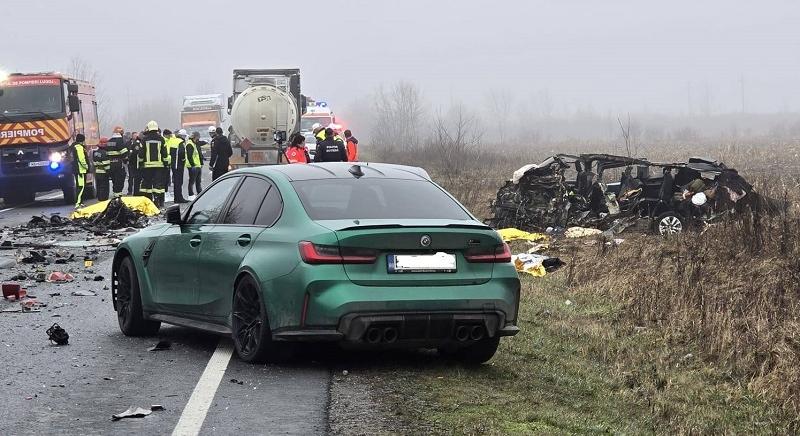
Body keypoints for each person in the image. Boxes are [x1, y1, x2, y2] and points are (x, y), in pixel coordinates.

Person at [139, 121, 169, 207]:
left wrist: (141, 163)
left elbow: (141, 154)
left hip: (147, 167)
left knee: (147, 185)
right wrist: (166, 163)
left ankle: (148, 202)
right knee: (158, 184)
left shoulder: (144, 139)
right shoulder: (161, 139)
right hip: (159, 166)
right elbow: (164, 153)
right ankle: (158, 201)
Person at [107, 126, 129, 197]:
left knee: (114, 180)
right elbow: (124, 153)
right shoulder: (120, 141)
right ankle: (118, 196)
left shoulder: (109, 141)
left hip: (110, 164)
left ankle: (115, 194)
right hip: (119, 164)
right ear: (121, 133)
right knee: (120, 180)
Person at [70, 133, 89, 208]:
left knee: (80, 186)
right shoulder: (79, 147)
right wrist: (86, 166)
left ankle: (80, 202)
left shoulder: (74, 146)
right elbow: (81, 159)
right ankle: (78, 203)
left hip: (77, 169)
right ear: (82, 140)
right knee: (81, 186)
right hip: (80, 170)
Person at [172, 129, 189, 203]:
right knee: (179, 182)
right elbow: (182, 153)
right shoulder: (180, 142)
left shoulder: (174, 141)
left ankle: (176, 198)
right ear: (182, 136)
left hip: (174, 164)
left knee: (176, 182)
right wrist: (183, 160)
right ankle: (179, 198)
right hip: (179, 164)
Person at [92, 137, 111, 201]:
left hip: (97, 172)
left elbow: (94, 163)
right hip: (103, 173)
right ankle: (103, 199)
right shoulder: (104, 153)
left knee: (99, 186)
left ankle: (100, 198)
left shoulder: (95, 153)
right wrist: (109, 172)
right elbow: (106, 165)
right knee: (104, 187)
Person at [185, 132, 203, 198]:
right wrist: (193, 165)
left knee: (198, 181)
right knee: (192, 181)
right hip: (193, 166)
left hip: (197, 165)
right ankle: (191, 195)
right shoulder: (190, 144)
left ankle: (199, 193)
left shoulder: (193, 143)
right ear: (195, 137)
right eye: (198, 138)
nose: (198, 139)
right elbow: (189, 156)